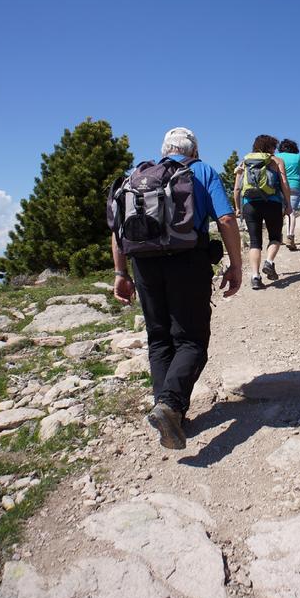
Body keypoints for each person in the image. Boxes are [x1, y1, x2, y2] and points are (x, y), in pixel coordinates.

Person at [111, 127, 242, 450]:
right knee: (192, 339)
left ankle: (171, 414)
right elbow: (225, 219)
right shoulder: (202, 171)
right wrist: (236, 265)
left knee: (159, 338)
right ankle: (170, 405)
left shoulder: (138, 177)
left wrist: (120, 273)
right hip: (188, 260)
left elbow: (117, 230)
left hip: (144, 264)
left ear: (164, 150)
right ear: (194, 150)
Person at [234, 134, 292, 290]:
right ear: (269, 147)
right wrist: (288, 204)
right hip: (272, 203)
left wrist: (238, 207)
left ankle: (255, 277)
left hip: (250, 204)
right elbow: (284, 183)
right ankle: (269, 262)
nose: (275, 150)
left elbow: (238, 188)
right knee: (275, 237)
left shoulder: (244, 161)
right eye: (273, 147)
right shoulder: (276, 161)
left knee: (255, 242)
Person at [277, 139, 300, 250]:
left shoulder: (277, 157)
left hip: (279, 186)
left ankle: (278, 237)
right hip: (295, 186)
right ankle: (290, 236)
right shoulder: (299, 157)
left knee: (278, 212)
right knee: (291, 212)